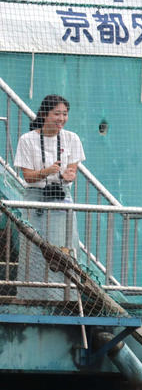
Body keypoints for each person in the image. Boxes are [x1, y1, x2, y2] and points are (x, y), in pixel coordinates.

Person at [14, 94, 83, 299]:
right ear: (44, 114)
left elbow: (72, 170)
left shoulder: (72, 138)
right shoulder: (27, 139)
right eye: (57, 114)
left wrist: (67, 175)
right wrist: (47, 171)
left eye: (65, 114)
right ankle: (32, 296)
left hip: (61, 198)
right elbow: (28, 176)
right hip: (36, 198)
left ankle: (66, 296)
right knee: (34, 249)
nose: (61, 118)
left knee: (64, 246)